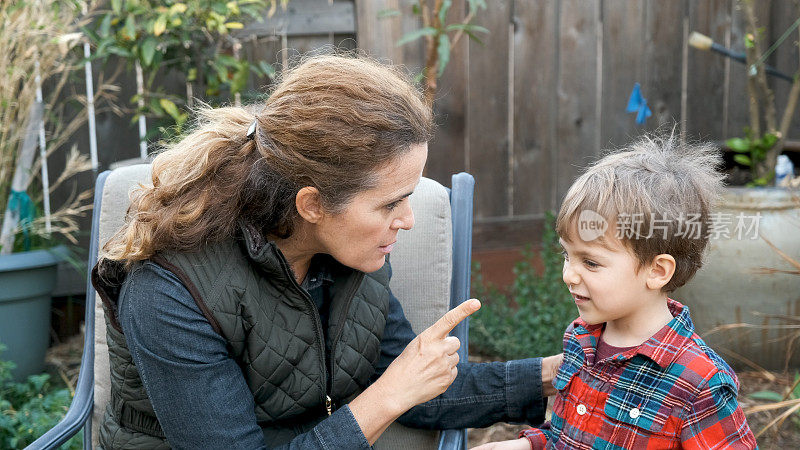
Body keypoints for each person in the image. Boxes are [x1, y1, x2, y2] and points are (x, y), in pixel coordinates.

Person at [92, 54, 561, 449]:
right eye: (390, 203)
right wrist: (387, 397)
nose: (407, 220)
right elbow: (397, 389)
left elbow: (422, 389)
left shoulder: (352, 254)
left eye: (409, 197)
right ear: (312, 204)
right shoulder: (170, 292)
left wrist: (562, 374)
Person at [474, 134, 757, 449]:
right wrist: (527, 445)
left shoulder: (699, 382)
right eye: (567, 255)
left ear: (657, 271)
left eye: (591, 263)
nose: (568, 274)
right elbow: (569, 436)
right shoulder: (580, 340)